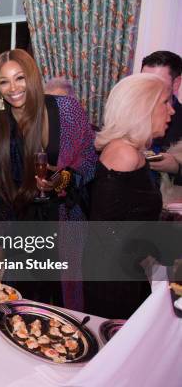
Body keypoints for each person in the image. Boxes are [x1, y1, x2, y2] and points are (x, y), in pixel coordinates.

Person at [0, 49, 97, 309]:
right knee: (23, 310)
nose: (13, 88)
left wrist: (63, 178)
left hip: (65, 224)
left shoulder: (65, 109)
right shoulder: (0, 132)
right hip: (24, 234)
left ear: (32, 78)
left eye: (20, 77)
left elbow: (90, 160)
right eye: (4, 81)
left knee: (65, 308)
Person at [84, 73, 175, 319]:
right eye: (165, 102)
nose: (172, 111)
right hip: (112, 281)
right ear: (143, 108)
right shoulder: (124, 154)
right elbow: (105, 231)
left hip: (123, 272)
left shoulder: (131, 151)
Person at [141, 51, 182, 183]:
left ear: (176, 83)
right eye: (144, 81)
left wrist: (177, 168)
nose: (148, 88)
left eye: (157, 82)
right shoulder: (128, 113)